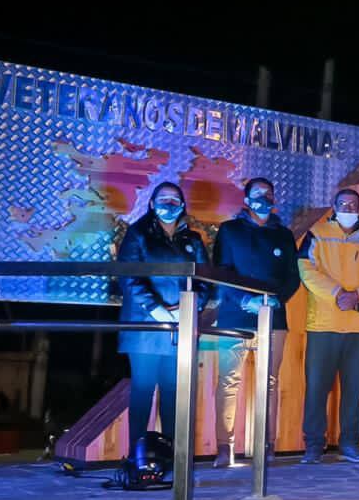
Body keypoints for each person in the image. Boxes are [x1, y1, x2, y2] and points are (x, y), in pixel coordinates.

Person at [297, 188, 359, 465]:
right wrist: (338, 293)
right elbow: (305, 268)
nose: (347, 208)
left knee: (354, 388)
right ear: (333, 207)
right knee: (316, 387)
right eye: (342, 204)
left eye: (352, 204)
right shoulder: (317, 232)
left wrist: (358, 295)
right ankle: (314, 445)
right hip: (324, 323)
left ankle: (350, 443)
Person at [212, 178, 300, 467]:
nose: (264, 198)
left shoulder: (284, 234)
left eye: (269, 194)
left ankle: (266, 445)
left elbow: (292, 276)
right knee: (228, 382)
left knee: (269, 384)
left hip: (273, 318)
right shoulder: (230, 230)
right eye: (258, 194)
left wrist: (278, 298)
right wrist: (243, 300)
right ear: (246, 200)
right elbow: (221, 272)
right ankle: (225, 448)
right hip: (235, 316)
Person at [116, 182, 210, 446]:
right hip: (145, 326)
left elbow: (205, 279)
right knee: (143, 388)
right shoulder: (138, 234)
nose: (169, 203)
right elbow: (129, 275)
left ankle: (170, 454)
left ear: (182, 204)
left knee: (172, 391)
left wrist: (190, 307)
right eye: (163, 198)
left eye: (174, 199)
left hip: (181, 326)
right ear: (151, 203)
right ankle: (137, 455)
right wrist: (155, 309)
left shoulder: (192, 239)